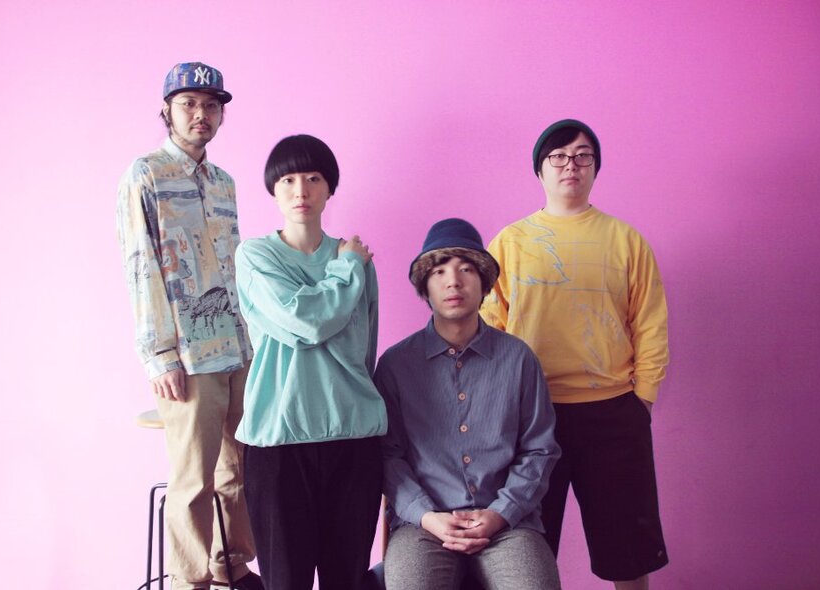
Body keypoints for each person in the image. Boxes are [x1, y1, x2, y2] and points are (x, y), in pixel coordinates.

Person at [481, 119, 670, 589]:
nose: (572, 165)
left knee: (628, 548)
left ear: (596, 169)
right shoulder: (509, 242)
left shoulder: (626, 240)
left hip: (613, 414)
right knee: (526, 551)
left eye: (583, 155)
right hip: (530, 416)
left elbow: (649, 322)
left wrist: (641, 399)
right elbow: (490, 327)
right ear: (540, 170)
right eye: (558, 157)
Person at [116, 62, 262, 590]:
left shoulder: (224, 183)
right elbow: (141, 264)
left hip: (237, 347)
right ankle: (190, 580)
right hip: (187, 355)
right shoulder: (146, 174)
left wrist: (254, 343)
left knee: (240, 470)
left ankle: (233, 565)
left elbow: (235, 264)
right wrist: (158, 356)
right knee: (193, 479)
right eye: (188, 104)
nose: (201, 114)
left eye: (210, 105)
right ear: (166, 110)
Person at [234, 134, 386, 590]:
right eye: (288, 180)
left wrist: (347, 272)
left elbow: (364, 347)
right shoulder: (256, 256)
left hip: (354, 437)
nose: (301, 190)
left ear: (329, 188)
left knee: (348, 579)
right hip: (279, 442)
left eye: (313, 178)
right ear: (273, 190)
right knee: (286, 580)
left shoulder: (356, 258)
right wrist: (346, 271)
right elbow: (308, 323)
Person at [376, 218, 562, 590]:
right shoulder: (396, 365)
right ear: (425, 287)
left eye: (466, 269)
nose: (453, 281)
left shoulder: (518, 359)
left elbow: (540, 450)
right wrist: (427, 516)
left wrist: (500, 514)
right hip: (423, 525)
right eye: (440, 270)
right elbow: (386, 455)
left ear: (485, 284)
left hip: (507, 524)